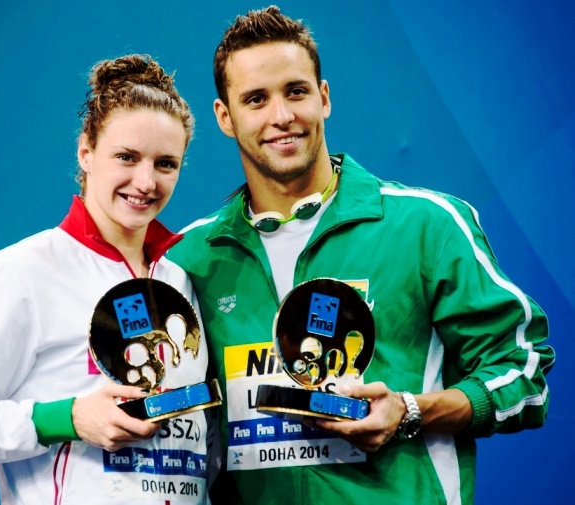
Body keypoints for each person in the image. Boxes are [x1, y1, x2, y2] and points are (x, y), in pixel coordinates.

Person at [167, 6, 555, 504]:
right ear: (225, 117)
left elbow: (523, 373)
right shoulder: (192, 257)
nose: (281, 116)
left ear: (324, 98)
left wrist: (411, 410)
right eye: (256, 99)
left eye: (296, 92)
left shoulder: (426, 225)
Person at [0, 54, 212, 505]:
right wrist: (68, 417)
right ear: (86, 150)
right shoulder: (23, 272)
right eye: (126, 157)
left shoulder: (180, 281)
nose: (145, 181)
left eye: (165, 164)